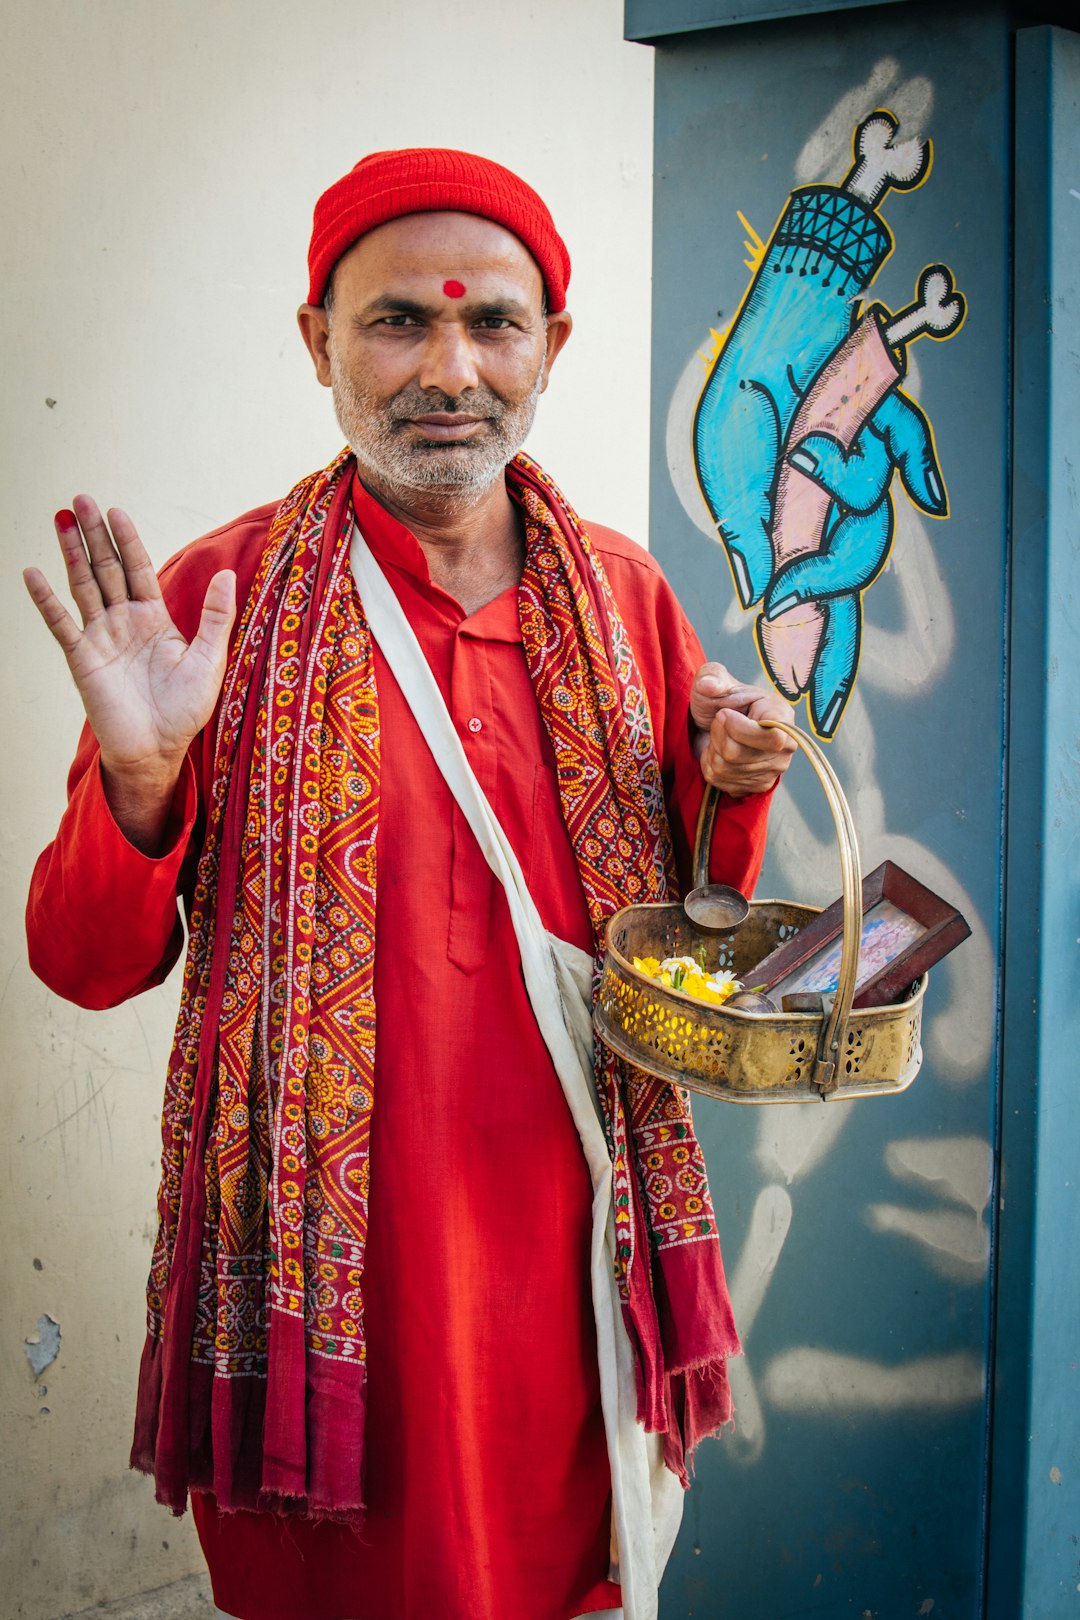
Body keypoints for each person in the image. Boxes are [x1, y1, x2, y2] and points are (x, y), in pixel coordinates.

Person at [24, 149, 795, 1620]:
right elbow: (80, 963)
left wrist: (735, 788)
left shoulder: (623, 598)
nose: (450, 368)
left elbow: (682, 929)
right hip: (326, 1303)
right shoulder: (218, 602)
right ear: (316, 340)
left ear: (551, 349)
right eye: (396, 323)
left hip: (569, 1260)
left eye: (494, 323)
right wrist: (140, 783)